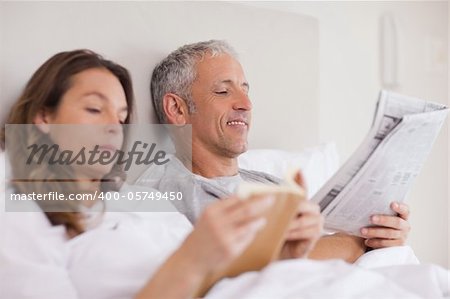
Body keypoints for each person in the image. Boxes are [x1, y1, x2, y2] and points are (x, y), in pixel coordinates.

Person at [0, 49, 323, 298]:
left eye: (122, 116)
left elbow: (220, 285)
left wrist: (284, 258)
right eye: (95, 109)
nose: (114, 126)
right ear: (43, 118)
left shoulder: (143, 200)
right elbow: (193, 271)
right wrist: (193, 258)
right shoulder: (21, 213)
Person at [140, 40, 411, 262]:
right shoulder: (170, 192)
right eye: (223, 91)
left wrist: (382, 237)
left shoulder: (268, 182)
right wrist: (358, 245)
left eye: (246, 91)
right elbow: (260, 261)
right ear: (177, 109)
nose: (246, 103)